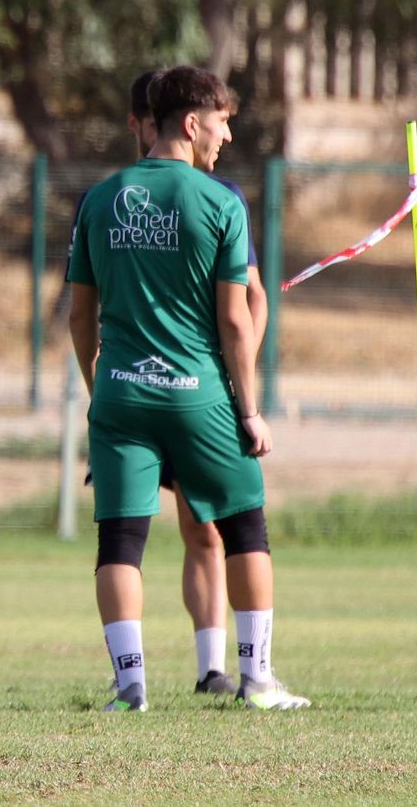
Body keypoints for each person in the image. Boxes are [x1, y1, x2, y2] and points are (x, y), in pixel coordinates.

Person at [67, 65, 309, 712]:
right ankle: (257, 680)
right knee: (244, 527)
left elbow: (78, 317)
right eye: (223, 123)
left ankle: (130, 688)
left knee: (120, 541)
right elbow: (236, 319)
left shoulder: (99, 199)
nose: (226, 137)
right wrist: (249, 410)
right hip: (198, 393)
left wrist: (101, 392)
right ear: (193, 122)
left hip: (120, 394)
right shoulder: (219, 202)